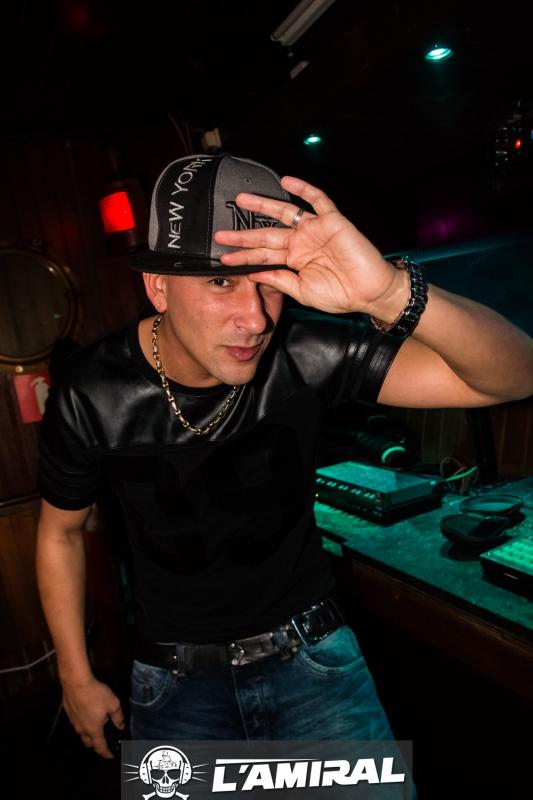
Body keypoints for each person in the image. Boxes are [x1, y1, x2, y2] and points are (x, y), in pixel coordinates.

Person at [36, 154, 533, 763]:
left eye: (269, 281)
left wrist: (388, 290)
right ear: (158, 286)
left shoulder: (305, 350)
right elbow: (60, 533)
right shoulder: (90, 391)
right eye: (222, 282)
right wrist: (75, 675)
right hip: (173, 684)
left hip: (315, 661)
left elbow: (514, 375)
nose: (256, 319)